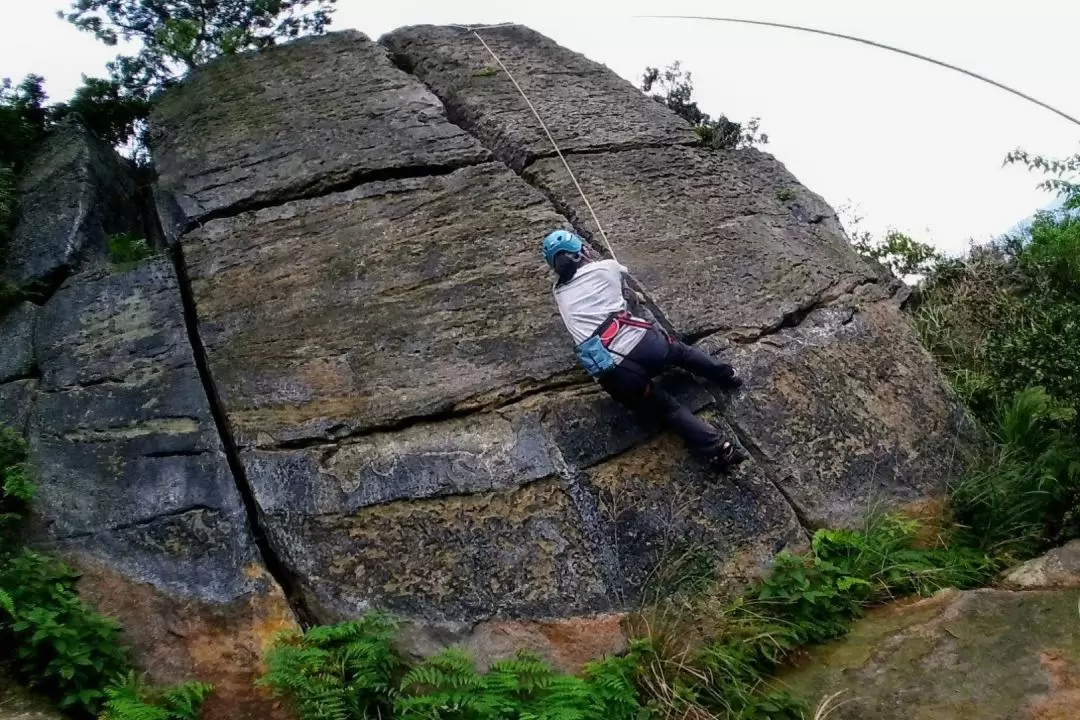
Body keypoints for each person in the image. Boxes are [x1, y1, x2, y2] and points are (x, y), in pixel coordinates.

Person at [543, 229, 749, 471]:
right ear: (581, 253)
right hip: (647, 346)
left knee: (666, 409)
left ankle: (720, 447)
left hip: (615, 372)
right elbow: (620, 280)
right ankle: (727, 375)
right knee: (681, 353)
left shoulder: (558, 292)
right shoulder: (605, 268)